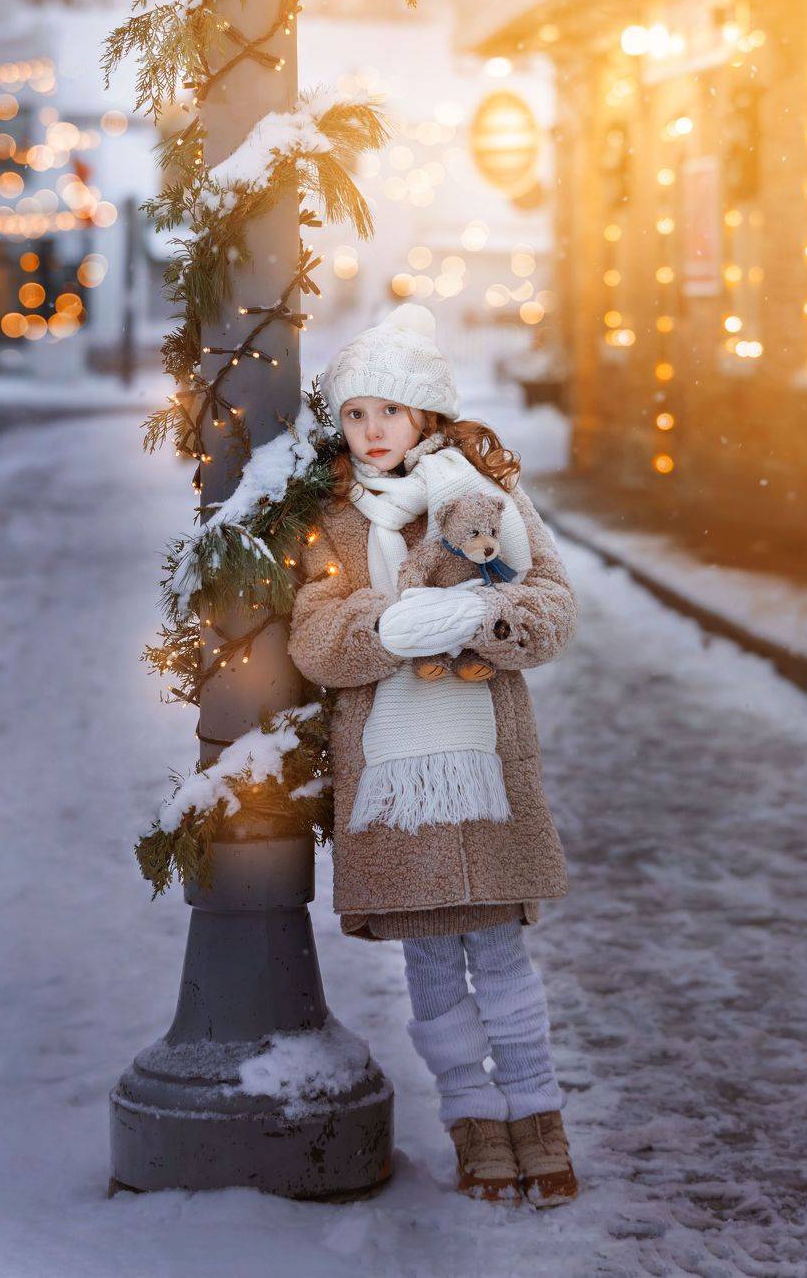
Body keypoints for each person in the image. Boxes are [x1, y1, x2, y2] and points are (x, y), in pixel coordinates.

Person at [288, 302, 580, 1208]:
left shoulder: (483, 499)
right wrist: (387, 628)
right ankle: (472, 1121)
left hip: (484, 771)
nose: (372, 430)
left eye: (390, 410)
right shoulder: (332, 520)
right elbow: (314, 639)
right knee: (430, 967)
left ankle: (537, 1117)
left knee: (499, 957)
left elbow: (551, 603)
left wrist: (481, 615)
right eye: (355, 413)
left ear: (426, 415)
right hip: (391, 783)